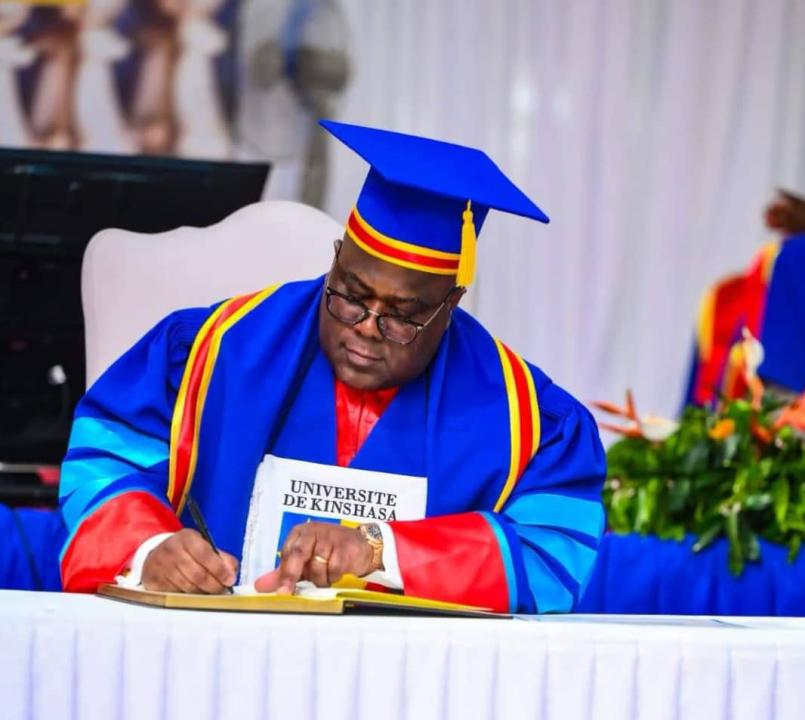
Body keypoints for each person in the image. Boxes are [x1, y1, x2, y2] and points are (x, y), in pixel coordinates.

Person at [58, 120, 606, 614]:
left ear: (451, 303)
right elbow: (103, 462)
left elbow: (551, 555)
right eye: (350, 295)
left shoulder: (527, 419)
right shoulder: (207, 349)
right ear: (337, 258)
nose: (367, 326)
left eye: (403, 316)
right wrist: (149, 548)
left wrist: (379, 551)